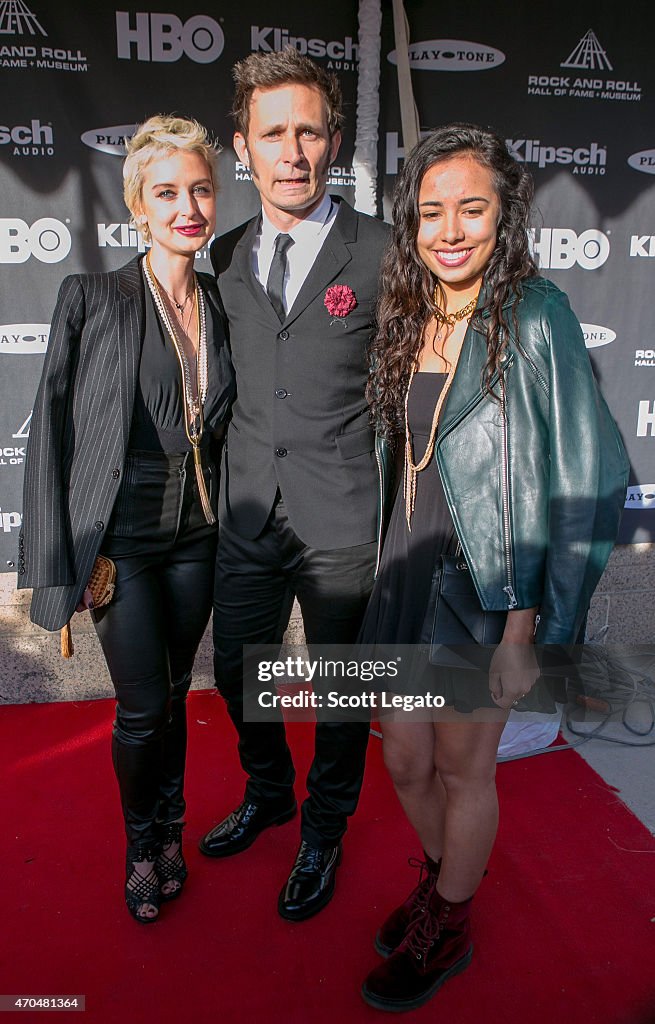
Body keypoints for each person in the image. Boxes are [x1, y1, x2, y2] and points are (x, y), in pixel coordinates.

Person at [358, 124, 628, 1010]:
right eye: (431, 211)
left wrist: (530, 625)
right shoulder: (412, 311)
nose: (449, 229)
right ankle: (443, 884)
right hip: (408, 567)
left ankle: (451, 925)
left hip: (485, 585)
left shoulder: (535, 314)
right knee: (402, 759)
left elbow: (583, 477)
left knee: (463, 768)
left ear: (504, 215)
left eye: (470, 209)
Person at [18, 115, 235, 924]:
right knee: (144, 706)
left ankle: (173, 831)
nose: (188, 207)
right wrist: (57, 564)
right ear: (137, 207)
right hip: (122, 544)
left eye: (201, 189)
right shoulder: (94, 296)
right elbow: (52, 433)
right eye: (168, 192)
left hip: (201, 539)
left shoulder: (223, 300)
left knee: (177, 694)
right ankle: (144, 845)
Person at [199, 49, 388, 921]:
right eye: (272, 133)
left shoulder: (386, 252)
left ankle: (323, 830)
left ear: (335, 141)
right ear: (243, 147)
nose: (292, 151)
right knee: (243, 672)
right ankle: (268, 790)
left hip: (342, 514)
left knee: (344, 691)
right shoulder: (228, 253)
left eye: (308, 130)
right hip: (245, 513)